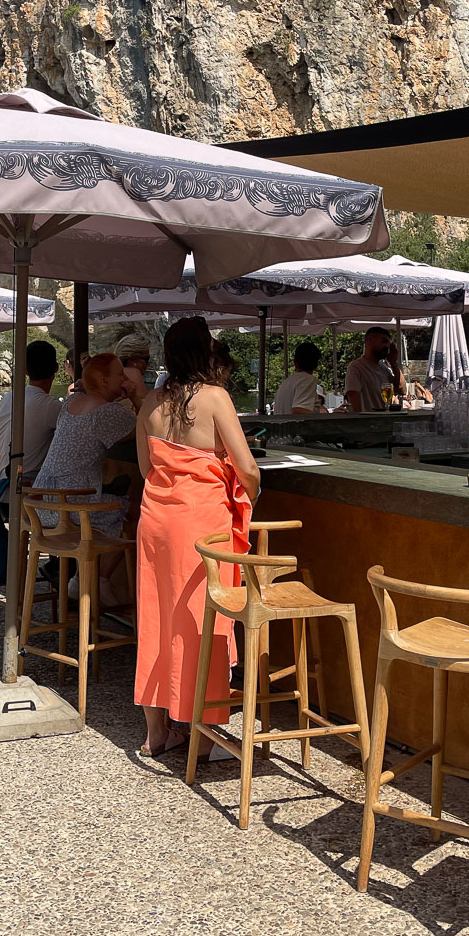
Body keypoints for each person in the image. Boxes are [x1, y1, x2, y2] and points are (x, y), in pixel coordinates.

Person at [133, 317, 260, 759]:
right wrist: (250, 496)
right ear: (205, 352)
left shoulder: (149, 401)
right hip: (202, 522)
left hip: (155, 520)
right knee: (200, 623)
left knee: (157, 617)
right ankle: (201, 734)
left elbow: (147, 470)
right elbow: (247, 468)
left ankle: (156, 732)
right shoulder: (215, 398)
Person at [31, 353, 139, 603]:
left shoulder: (72, 403)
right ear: (104, 380)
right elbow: (149, 427)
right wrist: (134, 396)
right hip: (73, 510)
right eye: (120, 374)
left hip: (43, 505)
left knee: (115, 501)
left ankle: (82, 579)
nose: (125, 378)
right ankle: (95, 582)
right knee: (137, 511)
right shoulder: (107, 413)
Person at [0, 340, 64, 483]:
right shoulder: (52, 407)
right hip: (27, 493)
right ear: (56, 368)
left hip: (0, 485)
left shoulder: (8, 397)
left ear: (25, 370)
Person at [345, 327, 395, 412]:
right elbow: (353, 401)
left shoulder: (384, 368)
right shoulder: (356, 367)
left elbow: (402, 390)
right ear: (370, 341)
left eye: (388, 343)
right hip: (365, 423)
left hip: (382, 422)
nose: (387, 346)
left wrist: (394, 364)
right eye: (384, 341)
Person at [272, 341, 322, 415]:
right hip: (294, 426)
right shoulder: (306, 380)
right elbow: (299, 410)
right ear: (316, 365)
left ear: (295, 363)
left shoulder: (286, 382)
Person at [113, 333, 152, 404]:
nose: (149, 363)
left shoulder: (111, 375)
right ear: (132, 361)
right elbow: (146, 411)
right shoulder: (133, 373)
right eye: (146, 359)